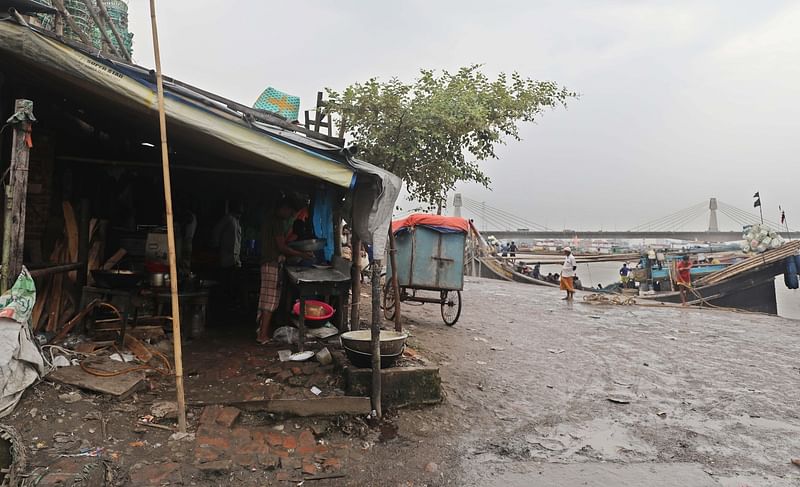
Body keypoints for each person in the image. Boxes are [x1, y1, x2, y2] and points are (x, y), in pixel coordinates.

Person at [256, 197, 314, 344]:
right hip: (271, 264)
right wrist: (301, 254)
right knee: (269, 301)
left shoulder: (271, 220)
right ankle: (262, 335)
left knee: (267, 300)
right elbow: (281, 247)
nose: (290, 215)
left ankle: (261, 332)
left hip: (269, 263)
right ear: (283, 208)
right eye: (289, 211)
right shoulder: (275, 222)